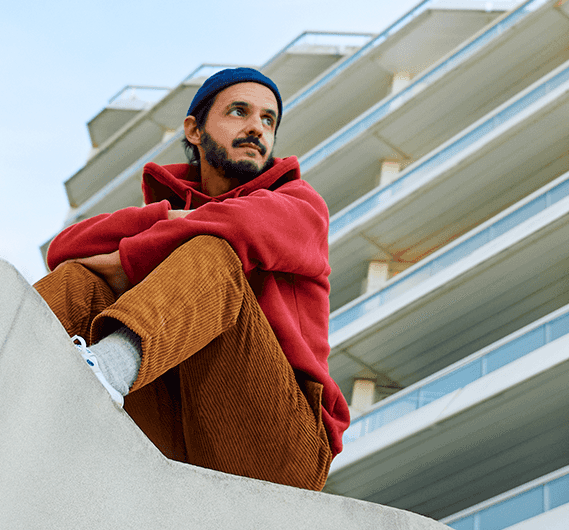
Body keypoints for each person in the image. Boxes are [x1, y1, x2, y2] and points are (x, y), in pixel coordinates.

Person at [35, 66, 350, 490]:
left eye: (268, 119)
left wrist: (127, 260)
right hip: (175, 427)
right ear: (195, 130)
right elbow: (64, 249)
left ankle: (101, 371)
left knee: (213, 250)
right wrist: (166, 216)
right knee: (79, 281)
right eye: (239, 111)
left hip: (280, 445)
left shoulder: (299, 203)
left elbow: (241, 228)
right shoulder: (168, 215)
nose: (257, 127)